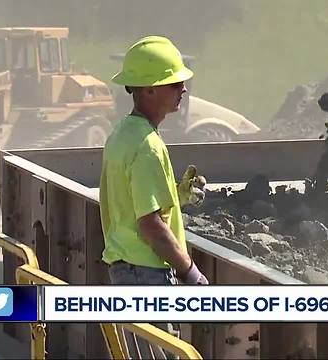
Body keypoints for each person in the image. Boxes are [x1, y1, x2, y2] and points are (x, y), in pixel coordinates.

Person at [99, 35, 209, 359]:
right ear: (148, 89)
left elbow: (129, 202)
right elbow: (149, 224)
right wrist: (190, 271)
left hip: (125, 269)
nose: (183, 90)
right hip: (145, 274)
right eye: (174, 83)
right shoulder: (148, 145)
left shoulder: (122, 134)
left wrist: (176, 197)